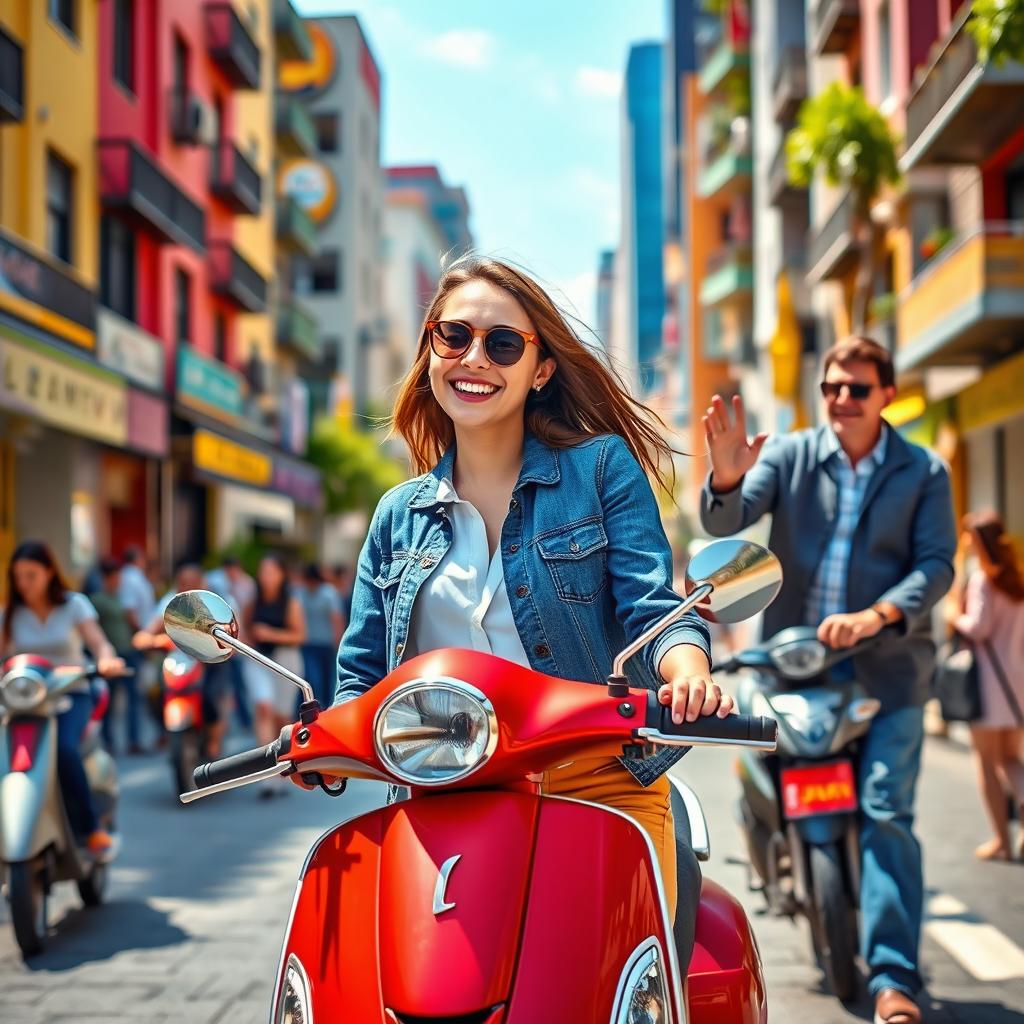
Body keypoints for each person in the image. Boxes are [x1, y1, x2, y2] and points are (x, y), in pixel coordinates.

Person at [326, 255, 727, 968]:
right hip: (441, 794)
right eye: (454, 336)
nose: (474, 358)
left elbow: (653, 607)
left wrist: (688, 671)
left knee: (621, 986)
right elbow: (360, 674)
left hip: (594, 781)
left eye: (503, 343)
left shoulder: (599, 469)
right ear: (429, 352)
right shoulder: (396, 516)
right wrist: (328, 739)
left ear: (540, 369)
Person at [699, 335, 956, 1024]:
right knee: (760, 777)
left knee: (883, 813)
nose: (843, 399)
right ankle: (775, 850)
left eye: (859, 388)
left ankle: (896, 981)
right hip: (790, 666)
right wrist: (724, 476)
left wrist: (879, 614)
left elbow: (937, 566)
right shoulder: (788, 454)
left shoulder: (923, 471)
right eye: (832, 388)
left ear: (887, 395)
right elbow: (727, 519)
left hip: (888, 671)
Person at [0, 541, 125, 854]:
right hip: (23, 699)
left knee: (64, 750)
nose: (23, 584)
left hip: (71, 693)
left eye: (31, 575)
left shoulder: (74, 604)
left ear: (49, 571)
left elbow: (98, 643)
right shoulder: (9, 613)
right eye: (18, 577)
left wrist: (107, 660)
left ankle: (90, 827)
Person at [946, 511, 1024, 862]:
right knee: (1010, 758)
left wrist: (952, 615)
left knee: (987, 763)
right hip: (1016, 682)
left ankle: (1002, 842)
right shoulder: (1015, 579)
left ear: (976, 540)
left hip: (989, 686)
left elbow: (977, 628)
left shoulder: (983, 580)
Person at [134, 562, 229, 758]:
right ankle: (165, 729)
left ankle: (213, 740)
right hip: (178, 664)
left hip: (208, 662)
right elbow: (150, 628)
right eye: (182, 582)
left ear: (201, 582)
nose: (186, 586)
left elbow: (230, 635)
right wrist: (146, 638)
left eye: (191, 582)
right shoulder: (171, 603)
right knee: (153, 694)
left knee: (211, 697)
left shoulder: (212, 603)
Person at [244, 554, 305, 795]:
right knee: (263, 708)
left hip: (285, 659)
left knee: (281, 718)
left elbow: (300, 636)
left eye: (271, 571)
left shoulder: (291, 602)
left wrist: (271, 634)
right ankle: (267, 773)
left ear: (282, 574)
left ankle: (282, 769)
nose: (266, 576)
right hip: (259, 659)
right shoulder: (253, 600)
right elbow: (244, 628)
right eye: (263, 571)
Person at [89, 557, 144, 755]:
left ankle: (134, 742)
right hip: (110, 657)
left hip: (128, 652)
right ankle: (108, 743)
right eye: (115, 577)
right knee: (108, 702)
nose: (118, 580)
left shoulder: (120, 597)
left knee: (134, 699)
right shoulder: (97, 601)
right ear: (107, 578)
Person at [204, 556, 256, 730]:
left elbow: (246, 616)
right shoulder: (216, 580)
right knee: (221, 688)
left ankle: (244, 719)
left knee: (238, 684)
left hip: (238, 642)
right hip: (221, 644)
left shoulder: (247, 585)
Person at [297, 563, 344, 709]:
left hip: (326, 644)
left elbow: (336, 618)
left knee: (326, 679)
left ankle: (324, 706)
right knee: (312, 677)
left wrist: (338, 641)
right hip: (308, 643)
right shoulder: (301, 593)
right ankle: (314, 706)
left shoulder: (329, 593)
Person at [118, 545, 155, 635]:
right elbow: (129, 608)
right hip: (138, 632)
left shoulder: (134, 576)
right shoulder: (130, 578)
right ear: (137, 559)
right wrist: (140, 632)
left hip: (144, 630)